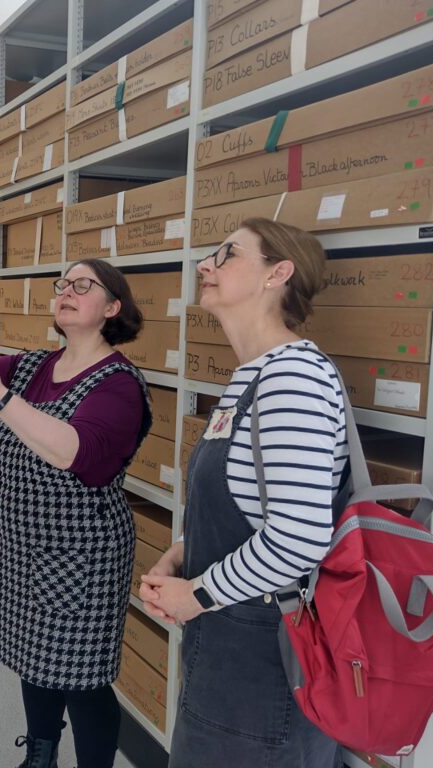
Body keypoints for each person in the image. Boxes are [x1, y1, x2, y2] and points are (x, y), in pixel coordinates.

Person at [0, 259, 153, 768]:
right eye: (62, 283)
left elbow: (73, 451)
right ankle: (40, 755)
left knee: (82, 678)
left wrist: (2, 399)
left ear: (112, 308)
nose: (66, 290)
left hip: (83, 555)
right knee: (34, 660)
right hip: (23, 541)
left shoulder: (119, 383)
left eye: (83, 285)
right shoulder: (32, 365)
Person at [139, 218, 348, 767]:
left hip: (263, 663)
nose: (204, 266)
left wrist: (196, 595)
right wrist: (184, 550)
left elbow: (299, 541)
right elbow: (248, 501)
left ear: (277, 273)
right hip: (228, 647)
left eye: (226, 254)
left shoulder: (294, 379)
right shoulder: (255, 376)